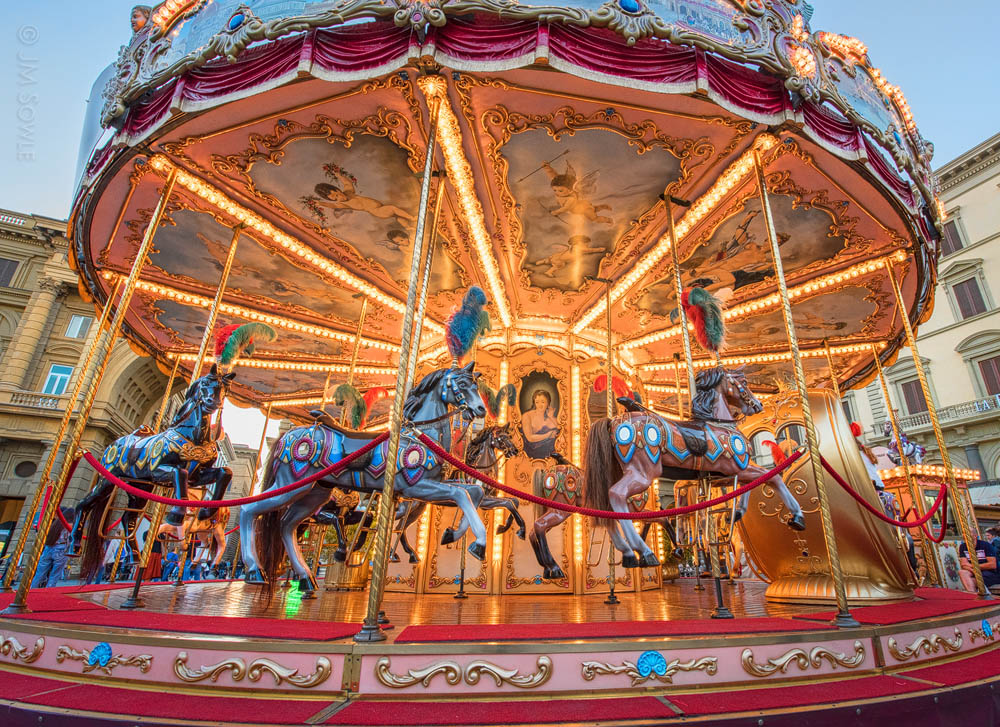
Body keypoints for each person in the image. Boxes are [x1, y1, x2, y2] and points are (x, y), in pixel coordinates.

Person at [31, 507, 74, 588]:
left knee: (39, 574)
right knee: (54, 575)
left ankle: (33, 589)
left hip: (49, 547)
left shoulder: (56, 524)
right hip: (61, 548)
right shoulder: (70, 525)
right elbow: (70, 539)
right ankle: (49, 590)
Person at [521, 390, 560, 459]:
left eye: (543, 402)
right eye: (537, 402)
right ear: (534, 403)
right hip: (531, 453)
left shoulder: (550, 417)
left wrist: (551, 417)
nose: (540, 405)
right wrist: (548, 435)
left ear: (548, 403)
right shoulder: (527, 415)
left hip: (549, 454)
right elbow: (530, 438)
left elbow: (559, 429)